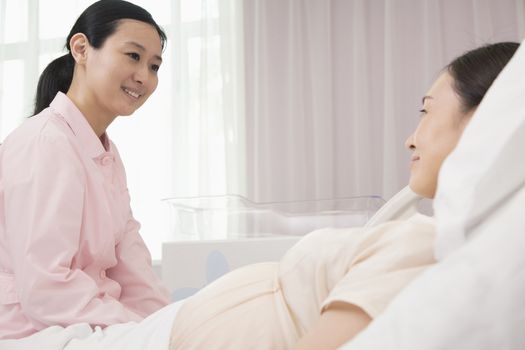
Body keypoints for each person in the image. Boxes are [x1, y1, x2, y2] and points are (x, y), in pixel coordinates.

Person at [166, 41, 520, 350]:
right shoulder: (425, 237)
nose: (410, 139)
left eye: (426, 111)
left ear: (484, 120)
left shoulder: (427, 245)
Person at [0, 0, 174, 347]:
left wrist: (172, 322)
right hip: (34, 333)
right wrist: (137, 327)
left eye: (155, 66)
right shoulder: (46, 143)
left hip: (84, 325)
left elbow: (133, 266)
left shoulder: (104, 153)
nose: (144, 76)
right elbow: (45, 288)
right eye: (133, 56)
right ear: (81, 48)